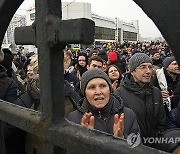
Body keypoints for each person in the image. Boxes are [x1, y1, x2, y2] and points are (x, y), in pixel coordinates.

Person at [67, 68, 140, 139]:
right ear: (85, 93)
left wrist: (121, 140)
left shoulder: (128, 115)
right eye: (92, 87)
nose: (98, 92)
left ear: (109, 89)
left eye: (103, 86)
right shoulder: (73, 119)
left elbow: (138, 148)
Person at [114, 53, 166, 147]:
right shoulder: (119, 93)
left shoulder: (156, 92)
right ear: (132, 71)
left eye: (150, 67)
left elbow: (161, 121)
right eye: (143, 67)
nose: (148, 71)